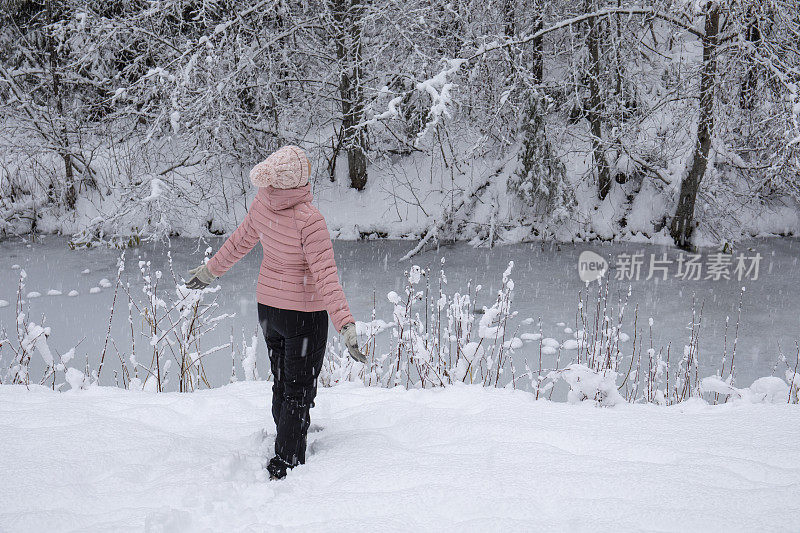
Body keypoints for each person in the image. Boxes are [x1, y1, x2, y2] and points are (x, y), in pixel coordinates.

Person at [186, 145, 366, 480]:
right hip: (303, 315)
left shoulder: (263, 204)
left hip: (270, 310)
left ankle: (287, 435)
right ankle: (286, 461)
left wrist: (211, 271)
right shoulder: (309, 220)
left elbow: (239, 242)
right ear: (299, 179)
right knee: (299, 388)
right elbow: (326, 276)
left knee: (283, 379)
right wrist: (345, 323)